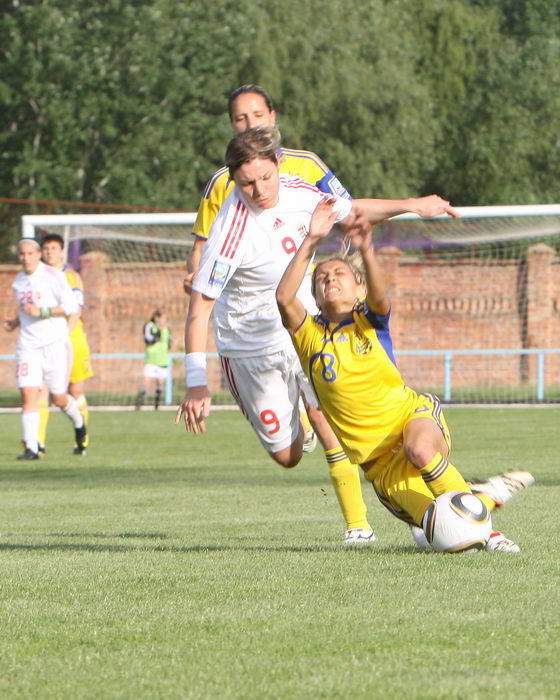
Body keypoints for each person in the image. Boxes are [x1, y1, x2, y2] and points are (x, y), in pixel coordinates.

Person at [175, 125, 461, 544]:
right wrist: (196, 383)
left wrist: (413, 205)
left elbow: (353, 211)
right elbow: (199, 308)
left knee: (334, 420)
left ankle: (367, 527)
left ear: (278, 164)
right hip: (249, 347)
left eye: (266, 177)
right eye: (247, 183)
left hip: (303, 329)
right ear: (233, 180)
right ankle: (302, 429)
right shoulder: (229, 232)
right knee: (287, 456)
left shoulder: (299, 190)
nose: (260, 190)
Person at [275, 198, 534, 552]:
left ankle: (492, 534)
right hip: (380, 465)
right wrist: (312, 239)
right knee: (442, 536)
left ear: (359, 289)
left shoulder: (369, 320)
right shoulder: (308, 336)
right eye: (322, 277)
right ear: (316, 299)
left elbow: (381, 300)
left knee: (420, 450)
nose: (330, 278)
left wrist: (367, 249)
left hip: (411, 418)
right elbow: (283, 297)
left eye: (339, 274)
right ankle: (483, 496)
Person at [4, 238, 88, 459]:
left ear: (38, 254)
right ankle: (31, 447)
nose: (26, 258)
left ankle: (79, 422)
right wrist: (15, 322)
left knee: (59, 397)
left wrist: (43, 312)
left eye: (30, 253)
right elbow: (26, 310)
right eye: (22, 254)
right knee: (28, 394)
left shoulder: (54, 276)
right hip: (28, 346)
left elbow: (71, 306)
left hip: (55, 344)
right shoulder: (18, 281)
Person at [38, 233, 94, 455]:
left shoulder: (72, 277)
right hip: (45, 339)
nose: (49, 252)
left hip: (72, 338)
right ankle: (36, 444)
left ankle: (81, 439)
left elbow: (76, 311)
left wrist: (63, 334)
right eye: (46, 248)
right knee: (40, 390)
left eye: (54, 248)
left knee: (74, 389)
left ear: (62, 251)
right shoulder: (37, 277)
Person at [135, 310, 172, 410]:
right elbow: (148, 340)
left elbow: (168, 343)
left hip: (162, 360)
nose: (164, 320)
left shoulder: (167, 329)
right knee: (146, 381)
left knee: (160, 382)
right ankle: (139, 403)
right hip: (151, 359)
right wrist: (158, 332)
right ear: (157, 318)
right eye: (163, 318)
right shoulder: (150, 326)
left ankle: (156, 405)